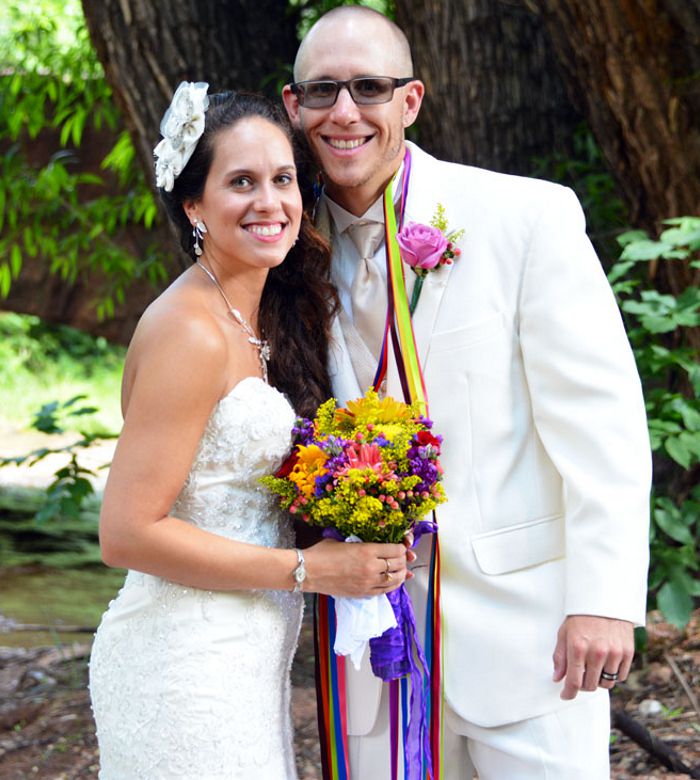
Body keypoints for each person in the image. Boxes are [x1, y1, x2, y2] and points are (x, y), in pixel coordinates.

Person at [282, 7, 651, 779]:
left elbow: (600, 423)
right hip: (368, 654)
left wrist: (607, 598)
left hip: (531, 640)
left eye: (368, 88)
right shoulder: (279, 251)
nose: (344, 112)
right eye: (321, 91)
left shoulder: (524, 217)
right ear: (293, 106)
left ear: (410, 101)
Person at [88, 85, 411, 780]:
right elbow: (126, 532)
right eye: (241, 182)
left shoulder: (260, 318)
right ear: (193, 204)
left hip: (245, 659)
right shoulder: (189, 332)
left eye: (283, 179)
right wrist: (309, 571)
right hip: (182, 667)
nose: (271, 203)